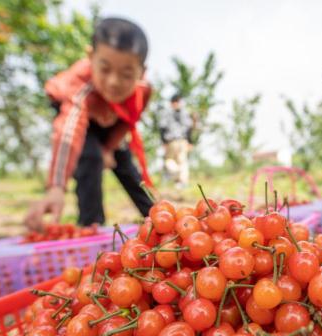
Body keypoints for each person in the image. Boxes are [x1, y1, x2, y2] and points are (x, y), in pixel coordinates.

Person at [25, 17, 155, 230]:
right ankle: (91, 226)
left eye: (126, 74)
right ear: (91, 57)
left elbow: (127, 122)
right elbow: (68, 132)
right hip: (75, 113)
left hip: (110, 120)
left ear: (141, 72)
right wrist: (56, 187)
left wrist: (109, 148)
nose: (114, 82)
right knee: (90, 157)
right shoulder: (80, 84)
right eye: (105, 69)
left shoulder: (143, 91)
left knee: (126, 166)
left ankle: (158, 219)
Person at [159, 93, 195, 189]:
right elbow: (189, 128)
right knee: (181, 162)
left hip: (174, 141)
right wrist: (190, 141)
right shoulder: (185, 112)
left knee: (170, 161)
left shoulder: (166, 113)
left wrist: (163, 142)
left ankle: (180, 181)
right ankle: (181, 178)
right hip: (179, 141)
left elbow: (162, 128)